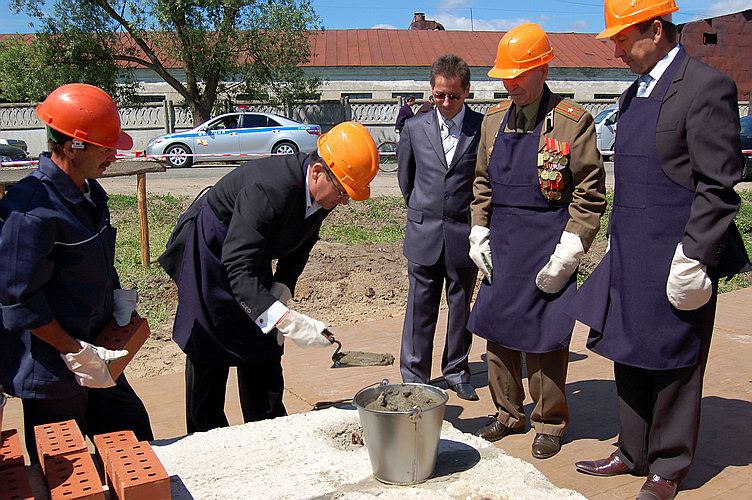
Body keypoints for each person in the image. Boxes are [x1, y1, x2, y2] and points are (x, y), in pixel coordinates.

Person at [569, 1, 749, 498]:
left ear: (655, 28)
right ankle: (632, 449)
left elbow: (718, 185)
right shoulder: (632, 94)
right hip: (632, 249)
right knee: (628, 348)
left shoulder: (706, 88)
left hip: (677, 252)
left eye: (624, 39)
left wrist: (695, 255)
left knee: (674, 357)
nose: (618, 50)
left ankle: (669, 464)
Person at [159, 121, 379, 433]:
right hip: (210, 250)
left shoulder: (323, 193)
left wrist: (282, 288)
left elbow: (301, 245)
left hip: (250, 250)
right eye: (343, 192)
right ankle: (206, 432)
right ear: (317, 172)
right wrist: (285, 319)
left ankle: (267, 425)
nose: (343, 201)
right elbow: (237, 267)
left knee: (260, 343)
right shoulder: (268, 191)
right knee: (209, 345)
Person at [467, 23, 607, 459]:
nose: (512, 84)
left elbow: (589, 193)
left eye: (520, 74)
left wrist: (571, 250)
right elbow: (482, 185)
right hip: (503, 245)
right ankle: (507, 412)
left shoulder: (572, 123)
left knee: (546, 339)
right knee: (497, 331)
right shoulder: (492, 122)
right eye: (506, 76)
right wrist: (478, 230)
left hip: (550, 244)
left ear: (543, 69)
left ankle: (549, 421)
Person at [0, 83, 153, 463]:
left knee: (134, 439)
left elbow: (99, 258)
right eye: (106, 148)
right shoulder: (31, 212)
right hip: (54, 366)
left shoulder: (89, 193)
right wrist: (73, 352)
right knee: (64, 467)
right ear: (73, 146)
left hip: (98, 351)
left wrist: (115, 299)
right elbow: (18, 301)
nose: (113, 156)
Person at [397, 54, 483, 401]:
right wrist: (423, 211)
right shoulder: (415, 128)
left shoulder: (481, 128)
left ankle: (457, 370)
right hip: (424, 231)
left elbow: (483, 181)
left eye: (453, 96)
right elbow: (407, 179)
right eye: (438, 95)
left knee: (460, 306)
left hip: (462, 234)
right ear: (431, 91)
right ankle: (415, 374)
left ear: (467, 92)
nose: (446, 103)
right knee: (420, 307)